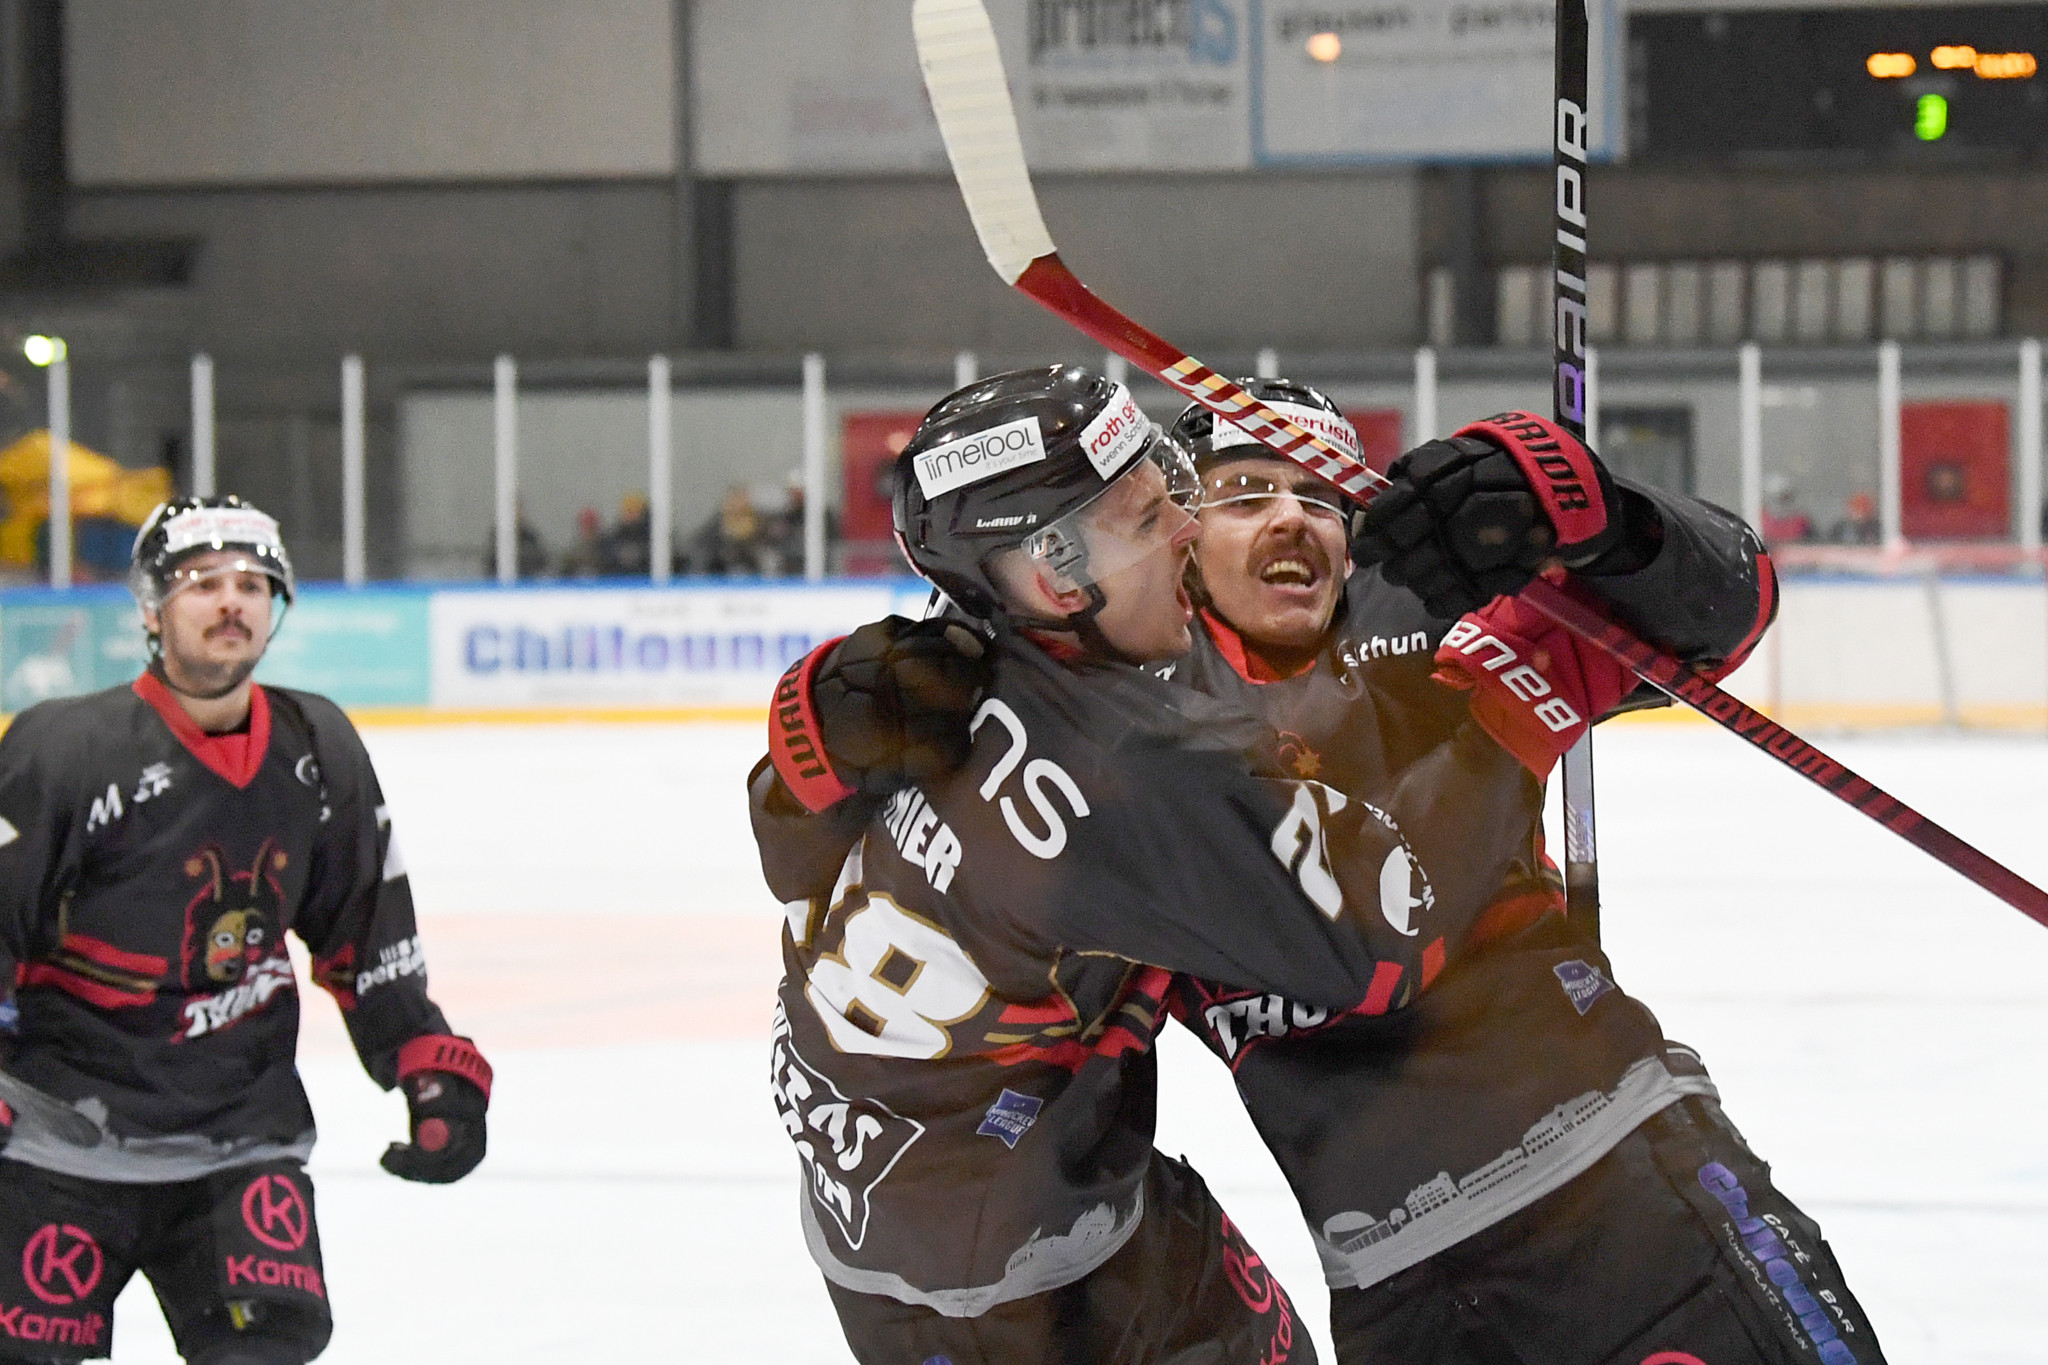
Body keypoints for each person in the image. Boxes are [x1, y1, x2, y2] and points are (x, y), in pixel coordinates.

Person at [760, 378, 1886, 1365]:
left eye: (1319, 495)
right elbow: (869, 870)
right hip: (1393, 1289)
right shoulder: (1120, 714)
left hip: (1618, 1195)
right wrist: (809, 744)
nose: (1289, 517)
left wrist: (1605, 517)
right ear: (1176, 533)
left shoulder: (1428, 612)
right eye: (1242, 493)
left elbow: (1731, 607)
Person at [751, 365, 1537, 1365]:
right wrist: (1523, 705)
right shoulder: (1119, 774)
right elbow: (1378, 940)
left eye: (1169, 486)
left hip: (885, 1219)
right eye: (1143, 514)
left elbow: (792, 858)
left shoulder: (947, 665)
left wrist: (797, 748)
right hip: (1048, 1294)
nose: (1183, 528)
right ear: (1053, 574)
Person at [0, 496, 491, 1365]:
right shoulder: (64, 749)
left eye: (253, 584)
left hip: (240, 1140)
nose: (232, 600)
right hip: (53, 1152)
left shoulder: (318, 745)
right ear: (152, 610)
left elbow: (365, 930)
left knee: (269, 1347)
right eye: (202, 582)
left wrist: (422, 1057)